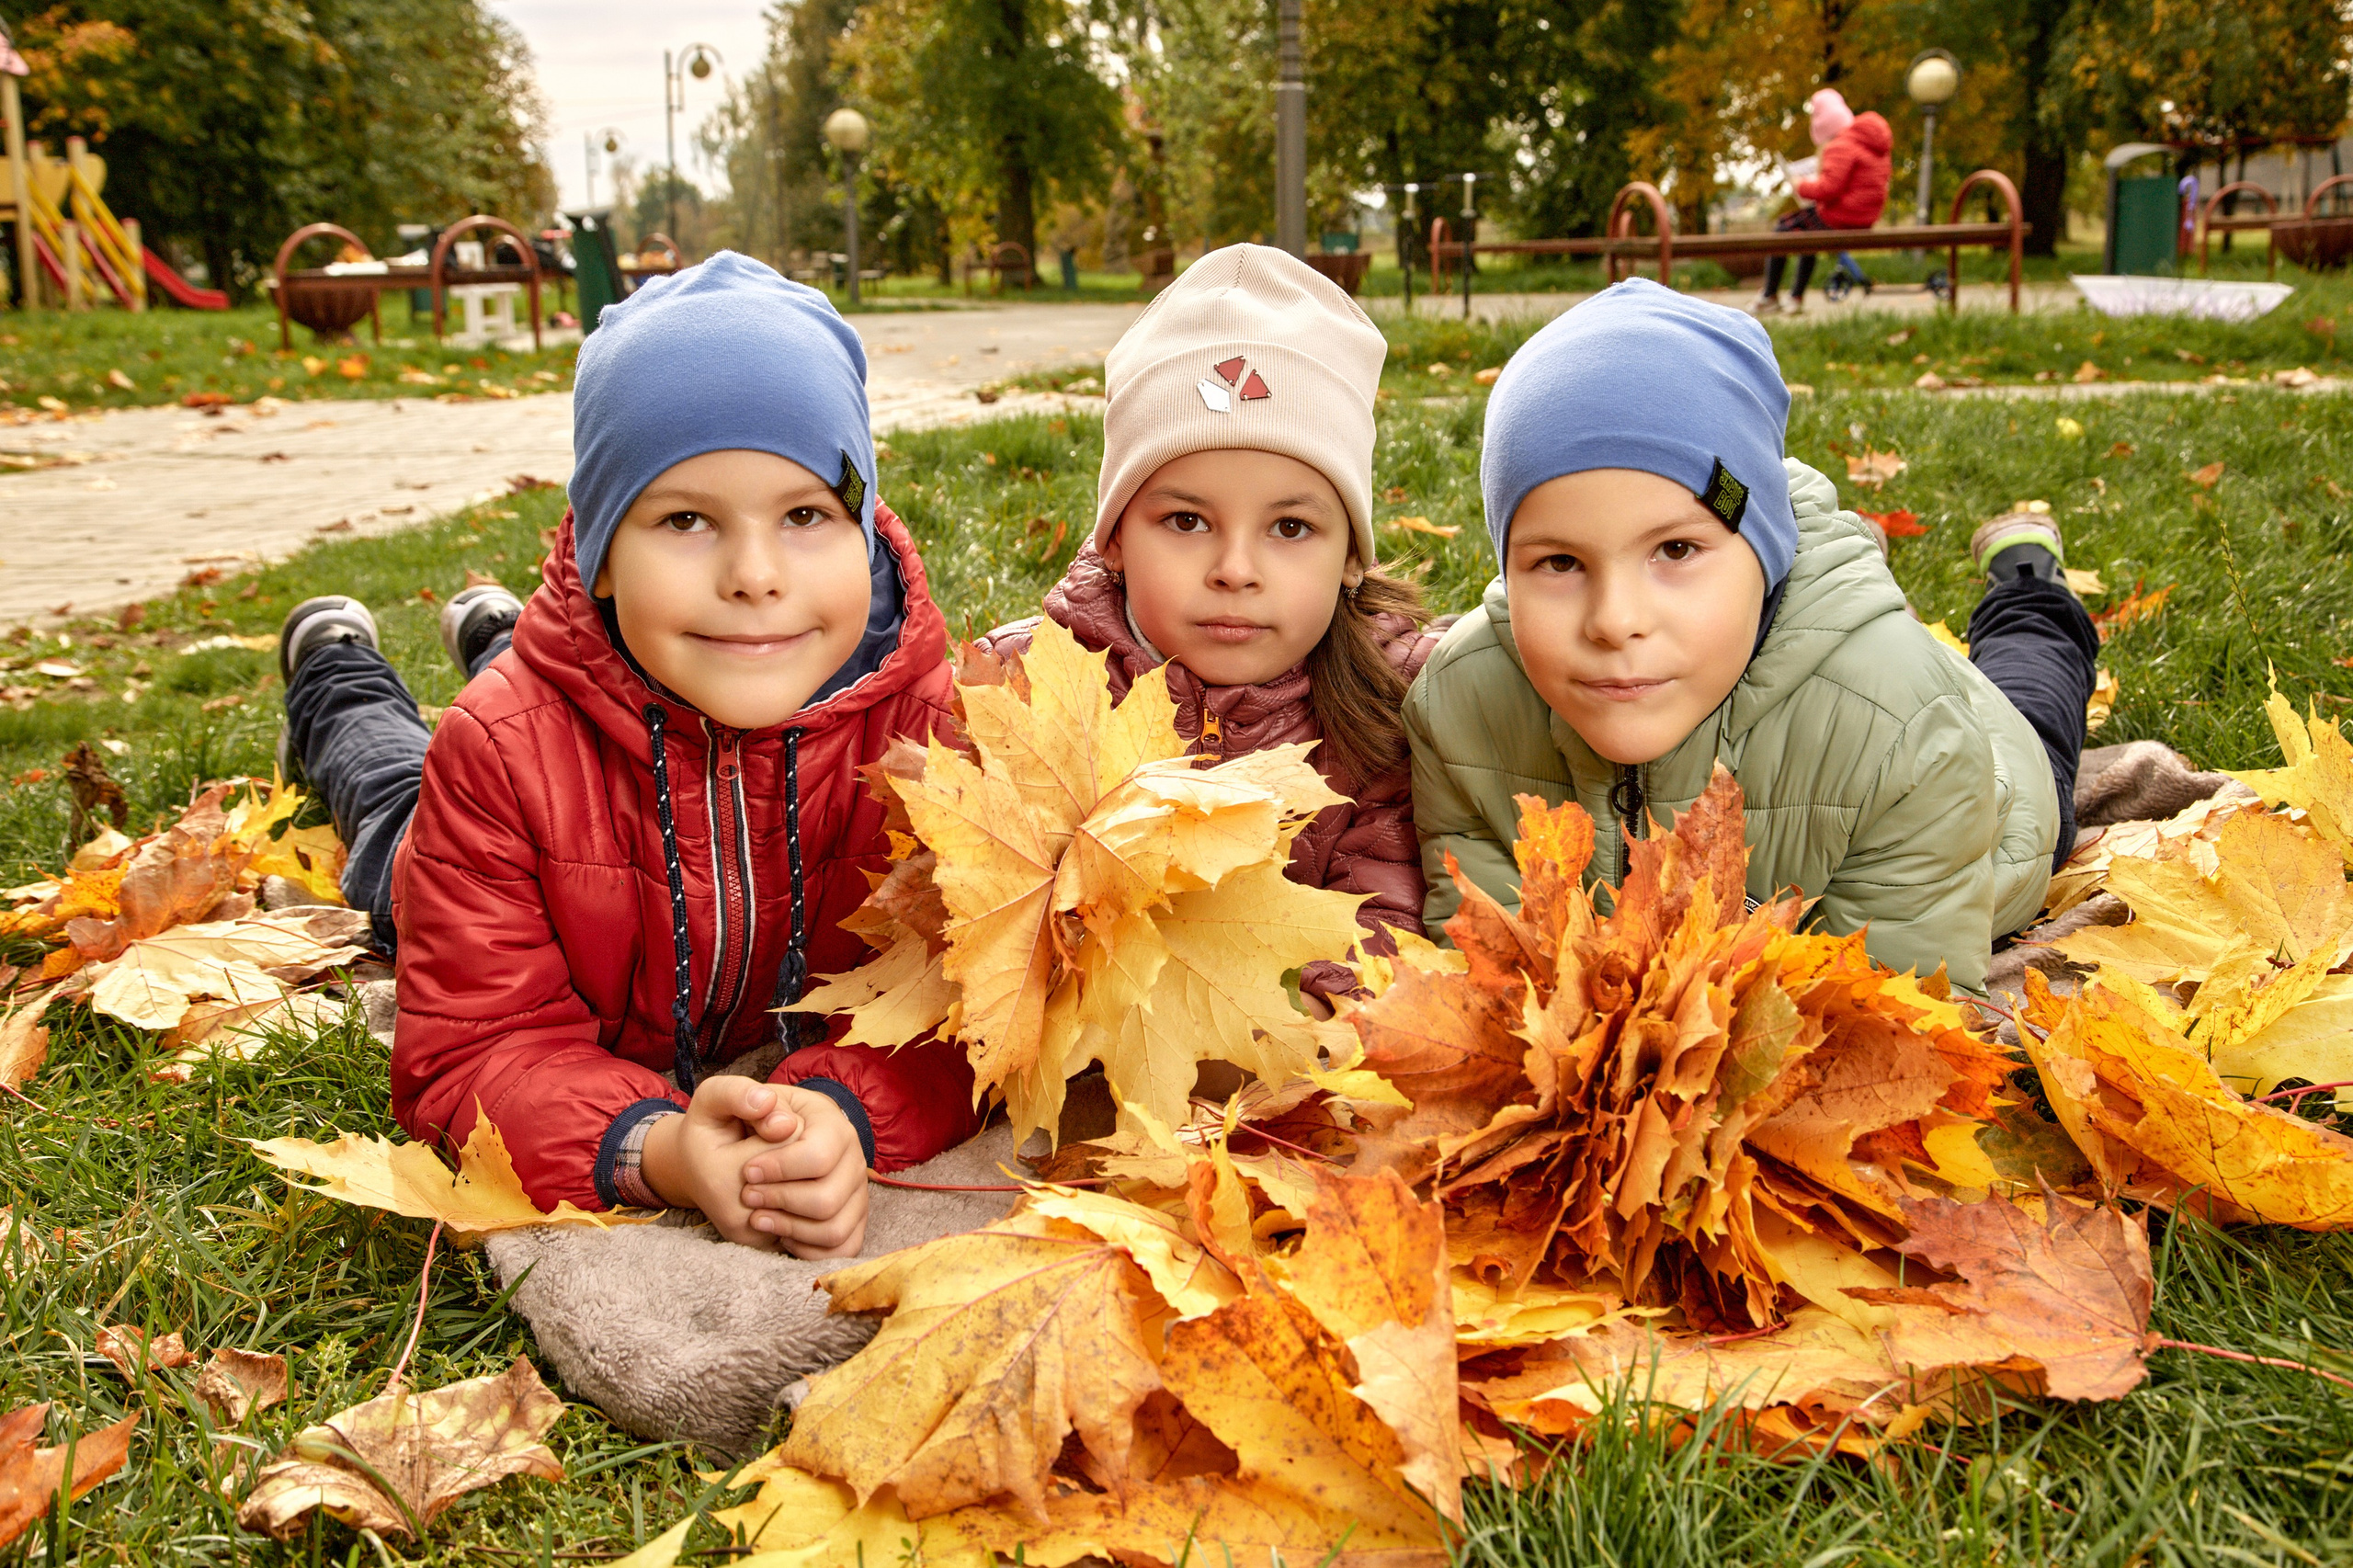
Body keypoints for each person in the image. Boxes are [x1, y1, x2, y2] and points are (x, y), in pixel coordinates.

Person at [275, 252, 983, 1256]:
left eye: (805, 515)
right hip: (474, 839)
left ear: (862, 532)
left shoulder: (929, 733)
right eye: (686, 519)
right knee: (390, 796)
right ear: (603, 553)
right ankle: (334, 665)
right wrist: (659, 1148)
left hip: (621, 674)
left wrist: (842, 1108)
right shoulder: (499, 753)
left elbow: (972, 1005)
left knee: (557, 668)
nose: (753, 575)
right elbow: (474, 1044)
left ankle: (499, 628)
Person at [1406, 279, 2097, 995]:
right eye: (1559, 562)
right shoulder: (1461, 706)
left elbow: (1894, 1029)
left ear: (1762, 559)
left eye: (1674, 551)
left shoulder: (1904, 732)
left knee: (2030, 688)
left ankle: (2028, 581)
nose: (1614, 621)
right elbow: (1492, 981)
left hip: (1994, 784)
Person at [982, 244, 1449, 1004]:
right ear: (1116, 540)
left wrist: (1315, 1023)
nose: (1236, 568)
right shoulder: (1030, 687)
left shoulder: (1395, 704)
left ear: (1351, 559)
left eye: (1290, 529)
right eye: (1188, 520)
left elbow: (1383, 907)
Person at [1756, 88, 1892, 315]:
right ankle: (1795, 297)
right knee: (1807, 235)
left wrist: (1800, 185)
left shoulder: (1840, 145)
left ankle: (1769, 295)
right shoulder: (1868, 144)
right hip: (1864, 217)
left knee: (1783, 228)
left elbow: (1828, 189)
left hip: (1841, 216)